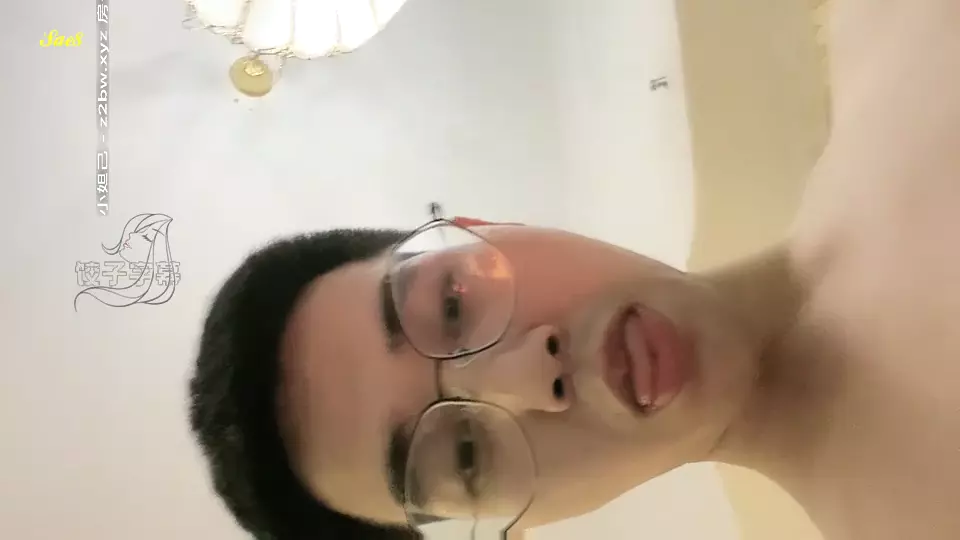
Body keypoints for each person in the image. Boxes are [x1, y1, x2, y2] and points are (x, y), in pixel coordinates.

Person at [188, 1, 960, 539]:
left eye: (451, 306)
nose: (532, 375)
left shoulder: (903, 30)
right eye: (465, 454)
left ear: (482, 230)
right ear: (527, 523)